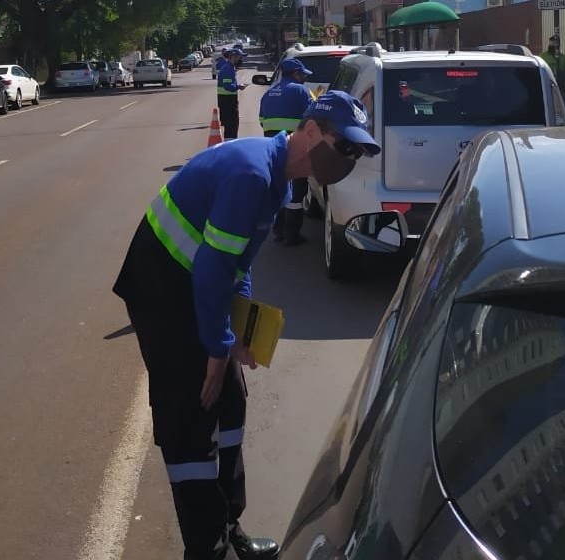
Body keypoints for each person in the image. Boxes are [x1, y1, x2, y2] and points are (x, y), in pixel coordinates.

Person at [112, 91, 381, 560]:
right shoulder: (252, 174)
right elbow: (213, 268)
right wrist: (217, 348)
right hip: (162, 286)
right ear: (312, 132)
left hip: (197, 280)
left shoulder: (277, 179)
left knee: (231, 401)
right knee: (191, 414)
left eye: (357, 152)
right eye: (346, 147)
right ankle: (206, 548)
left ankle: (227, 523)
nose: (351, 159)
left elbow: (236, 265)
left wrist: (241, 328)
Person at [259, 58, 318, 246]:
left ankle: (278, 230)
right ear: (295, 74)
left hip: (273, 149)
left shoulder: (269, 93)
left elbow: (262, 120)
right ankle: (292, 234)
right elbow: (313, 117)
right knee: (297, 190)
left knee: (278, 186)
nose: (303, 79)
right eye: (302, 75)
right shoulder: (301, 91)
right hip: (294, 148)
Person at [217, 49, 248, 139]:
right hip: (228, 101)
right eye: (239, 57)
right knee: (231, 126)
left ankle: (230, 144)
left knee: (231, 126)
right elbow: (227, 86)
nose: (240, 60)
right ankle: (230, 146)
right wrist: (239, 86)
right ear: (233, 57)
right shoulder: (228, 68)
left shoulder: (229, 67)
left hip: (227, 100)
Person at [540, 35, 565, 104]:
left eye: (556, 43)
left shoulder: (563, 58)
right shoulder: (543, 56)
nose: (555, 45)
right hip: (548, 87)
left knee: (564, 105)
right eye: (552, 43)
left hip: (561, 88)